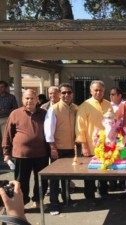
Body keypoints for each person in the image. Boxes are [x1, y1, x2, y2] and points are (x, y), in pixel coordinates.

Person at [2, 89, 49, 208]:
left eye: (32, 98)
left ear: (37, 100)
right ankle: (21, 203)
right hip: (21, 154)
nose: (29, 101)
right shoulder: (15, 113)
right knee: (21, 181)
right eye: (27, 98)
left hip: (41, 154)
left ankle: (38, 201)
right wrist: (6, 153)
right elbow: (8, 134)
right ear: (23, 100)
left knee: (41, 180)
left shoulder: (44, 114)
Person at [75, 80, 113, 201]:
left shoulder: (108, 104)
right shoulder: (85, 106)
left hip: (106, 145)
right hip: (91, 145)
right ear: (91, 91)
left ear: (104, 91)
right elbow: (80, 128)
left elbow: (113, 123)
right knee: (90, 173)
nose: (98, 92)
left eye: (100, 90)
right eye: (96, 90)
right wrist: (84, 146)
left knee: (104, 169)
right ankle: (90, 196)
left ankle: (103, 191)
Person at [44, 83, 78, 215]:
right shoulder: (54, 109)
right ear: (59, 94)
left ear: (72, 94)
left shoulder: (75, 108)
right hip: (58, 148)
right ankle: (54, 203)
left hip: (71, 149)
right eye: (63, 93)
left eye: (69, 92)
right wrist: (52, 147)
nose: (66, 95)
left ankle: (67, 199)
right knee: (54, 178)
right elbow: (48, 130)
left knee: (67, 177)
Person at [0, 81, 18, 145]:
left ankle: (5, 152)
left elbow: (15, 109)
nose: (0, 88)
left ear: (6, 88)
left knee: (5, 138)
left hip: (6, 119)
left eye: (2, 87)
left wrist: (5, 111)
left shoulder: (11, 97)